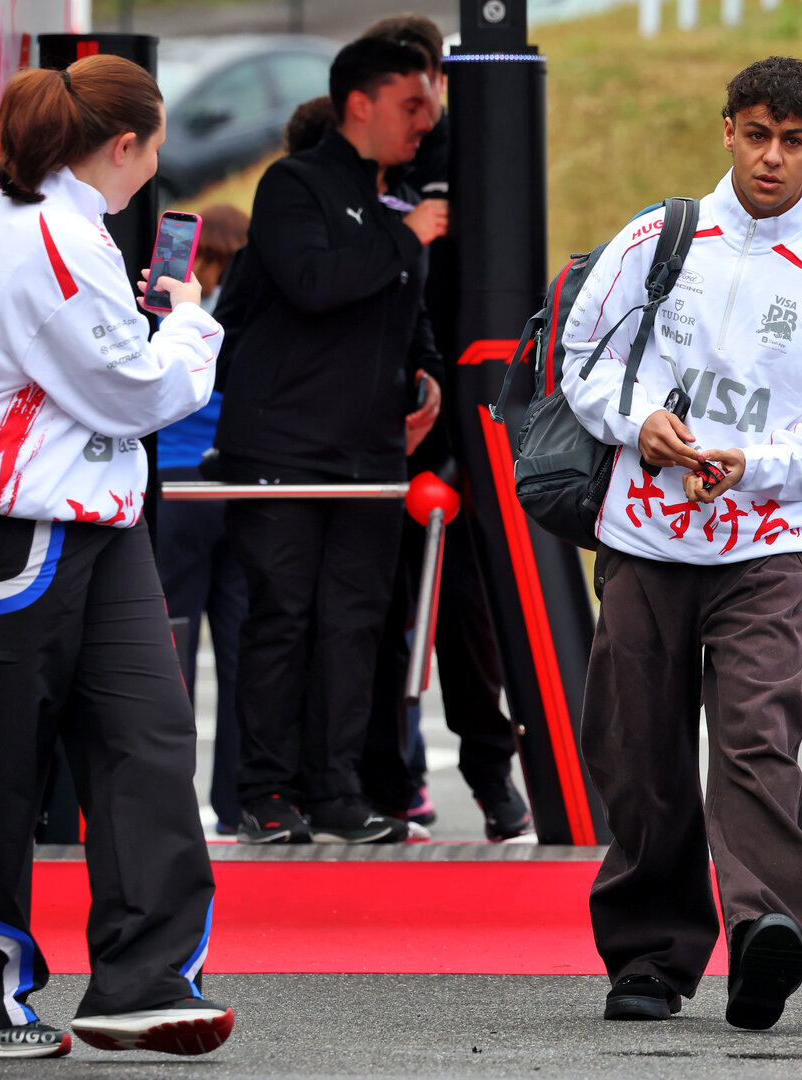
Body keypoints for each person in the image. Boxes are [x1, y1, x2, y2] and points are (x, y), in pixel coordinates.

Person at [0, 55, 232, 1057]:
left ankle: (143, 979)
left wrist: (150, 333)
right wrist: (190, 327)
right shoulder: (49, 237)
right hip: (11, 529)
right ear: (126, 144)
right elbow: (131, 393)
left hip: (81, 518)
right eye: (159, 139)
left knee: (147, 743)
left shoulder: (55, 229)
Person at [560, 56, 802, 1029]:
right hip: (643, 536)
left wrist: (756, 461)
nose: (772, 158)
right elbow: (582, 358)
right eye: (755, 134)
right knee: (638, 754)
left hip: (768, 544)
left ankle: (766, 935)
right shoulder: (657, 237)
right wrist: (640, 423)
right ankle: (652, 956)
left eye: (792, 140)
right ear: (726, 132)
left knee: (754, 743)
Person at [213, 37, 446, 845]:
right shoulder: (294, 184)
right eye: (412, 105)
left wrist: (427, 372)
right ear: (362, 104)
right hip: (282, 446)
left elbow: (408, 316)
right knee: (282, 617)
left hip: (371, 451)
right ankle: (266, 793)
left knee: (356, 623)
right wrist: (405, 238)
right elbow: (315, 285)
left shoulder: (395, 202)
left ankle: (339, 793)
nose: (427, 121)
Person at [358, 14, 533, 841]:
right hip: (371, 409)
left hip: (457, 405)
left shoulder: (466, 155)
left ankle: (492, 773)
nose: (422, 120)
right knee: (376, 608)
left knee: (466, 610)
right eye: (412, 103)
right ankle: (385, 780)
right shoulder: (359, 171)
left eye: (430, 99)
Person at [155, 203, 250, 836]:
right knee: (242, 651)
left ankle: (165, 798)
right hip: (232, 486)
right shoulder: (243, 322)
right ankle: (238, 800)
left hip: (172, 488)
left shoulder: (169, 319)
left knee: (170, 650)